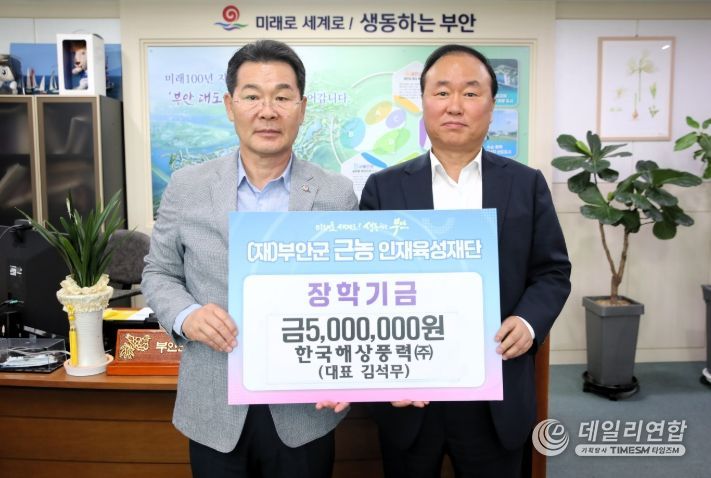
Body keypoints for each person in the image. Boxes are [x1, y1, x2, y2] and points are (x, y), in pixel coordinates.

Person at [142, 39, 358, 478]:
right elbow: (159, 271)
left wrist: (350, 370)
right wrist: (186, 315)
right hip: (214, 407)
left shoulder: (336, 193)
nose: (268, 111)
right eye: (253, 97)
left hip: (305, 409)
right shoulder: (187, 187)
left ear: (302, 108)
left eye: (282, 97)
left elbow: (356, 291)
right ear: (230, 105)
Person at [359, 44, 572, 478]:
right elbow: (363, 284)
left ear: (491, 106)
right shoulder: (384, 189)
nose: (455, 105)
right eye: (442, 92)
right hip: (411, 391)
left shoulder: (526, 185)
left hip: (495, 388)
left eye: (471, 93)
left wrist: (528, 322)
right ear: (424, 103)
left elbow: (552, 271)